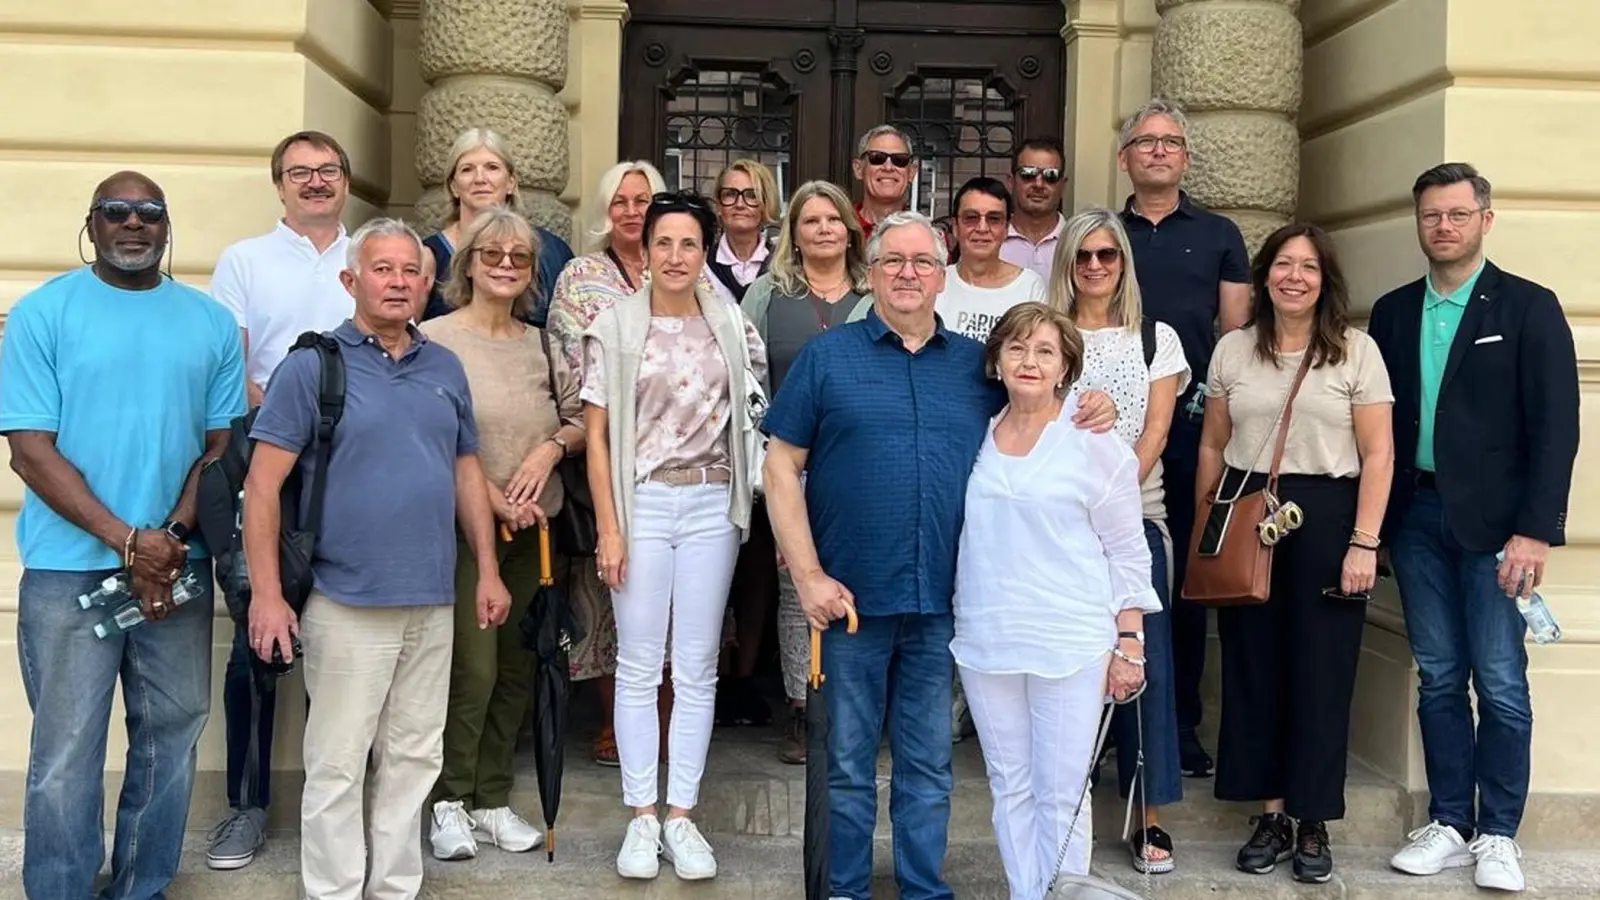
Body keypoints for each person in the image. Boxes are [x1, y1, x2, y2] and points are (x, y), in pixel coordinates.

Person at [761, 210, 1117, 900]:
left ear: (941, 276)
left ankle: (924, 888)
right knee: (846, 764)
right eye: (894, 261)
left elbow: (1036, 397)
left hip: (945, 605)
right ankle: (844, 889)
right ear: (871, 271)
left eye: (923, 263)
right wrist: (806, 575)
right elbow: (781, 467)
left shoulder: (975, 367)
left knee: (928, 765)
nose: (907, 274)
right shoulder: (827, 359)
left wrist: (1089, 401)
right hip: (849, 604)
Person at [244, 218, 513, 900]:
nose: (398, 282)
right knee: (337, 763)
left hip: (431, 599)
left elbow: (465, 472)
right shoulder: (313, 367)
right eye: (383, 269)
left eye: (410, 272)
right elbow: (262, 488)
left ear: (429, 284)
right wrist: (268, 596)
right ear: (351, 280)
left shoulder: (444, 366)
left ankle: (394, 887)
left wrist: (485, 568)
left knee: (415, 757)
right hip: (345, 600)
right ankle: (333, 891)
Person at [0, 171, 245, 900]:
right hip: (70, 571)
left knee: (171, 738)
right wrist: (128, 542)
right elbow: (29, 449)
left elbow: (221, 446)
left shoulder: (209, 323)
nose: (133, 223)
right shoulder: (41, 314)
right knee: (67, 751)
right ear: (93, 223)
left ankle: (142, 887)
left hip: (180, 566)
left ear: (167, 228)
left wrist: (166, 538)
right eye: (117, 212)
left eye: (149, 213)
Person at [1374, 163, 1579, 894]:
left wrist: (1536, 532)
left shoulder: (1527, 307)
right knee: (1436, 676)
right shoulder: (1393, 312)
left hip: (1498, 529)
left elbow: (1557, 430)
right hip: (1417, 518)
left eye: (1458, 214)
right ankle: (1452, 822)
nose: (1444, 227)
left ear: (1485, 219)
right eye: (1432, 215)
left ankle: (1499, 832)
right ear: (1419, 222)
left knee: (1498, 680)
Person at [582, 191, 768, 882]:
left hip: (712, 502)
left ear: (704, 251)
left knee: (695, 667)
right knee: (638, 662)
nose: (676, 256)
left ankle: (681, 814)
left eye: (689, 244)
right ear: (645, 249)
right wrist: (610, 525)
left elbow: (753, 414)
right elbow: (597, 438)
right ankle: (639, 816)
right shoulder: (616, 326)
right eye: (664, 243)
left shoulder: (732, 325)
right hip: (643, 504)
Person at [1200, 223, 1394, 884]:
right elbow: (1212, 444)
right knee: (1253, 669)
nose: (1294, 277)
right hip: (1250, 512)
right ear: (1264, 275)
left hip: (1328, 519)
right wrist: (1209, 528)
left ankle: (1313, 821)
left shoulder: (1356, 353)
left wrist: (1365, 541)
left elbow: (1379, 454)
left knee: (1321, 673)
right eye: (1283, 264)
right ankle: (1272, 813)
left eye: (1308, 267)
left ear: (1325, 280)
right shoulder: (1232, 351)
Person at [953, 302, 1158, 898]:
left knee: (1063, 789)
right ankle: (1027, 892)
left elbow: (1127, 548)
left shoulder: (1093, 442)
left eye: (1045, 351)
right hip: (987, 637)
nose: (1030, 361)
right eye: (1017, 347)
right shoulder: (978, 433)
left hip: (1071, 639)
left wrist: (1130, 642)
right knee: (1009, 783)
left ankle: (1059, 892)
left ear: (1067, 365)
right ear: (996, 359)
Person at [205, 128, 355, 871]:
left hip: (357, 474)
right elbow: (230, 368)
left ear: (347, 182)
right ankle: (247, 807)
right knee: (258, 640)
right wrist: (288, 418)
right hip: (270, 465)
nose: (316, 182)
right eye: (301, 172)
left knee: (354, 640)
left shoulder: (374, 256)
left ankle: (350, 807)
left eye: (328, 171)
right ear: (280, 184)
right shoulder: (244, 260)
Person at [420, 208, 585, 860]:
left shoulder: (541, 342)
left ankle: (491, 798)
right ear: (469, 263)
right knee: (474, 670)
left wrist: (549, 450)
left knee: (520, 670)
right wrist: (491, 499)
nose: (507, 265)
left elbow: (577, 419)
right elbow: (433, 439)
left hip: (535, 535)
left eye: (520, 256)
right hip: (464, 532)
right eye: (494, 254)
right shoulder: (434, 338)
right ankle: (451, 799)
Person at [1050, 207, 1189, 873]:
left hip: (1136, 520)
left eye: (1108, 255)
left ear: (1124, 263)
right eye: (1084, 256)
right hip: (1055, 527)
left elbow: (1156, 431)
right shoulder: (1044, 332)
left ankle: (1147, 816)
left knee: (1142, 670)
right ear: (1068, 264)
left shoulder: (1155, 337)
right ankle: (1064, 805)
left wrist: (1112, 501)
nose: (1097, 267)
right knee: (1069, 668)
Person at [1118, 97, 1251, 779]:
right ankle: (1111, 723)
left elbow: (1234, 333)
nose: (1159, 152)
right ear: (1126, 158)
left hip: (1194, 428)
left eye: (1170, 143)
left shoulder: (1221, 231)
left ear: (1186, 158)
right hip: (1111, 431)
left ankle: (1181, 726)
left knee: (1184, 577)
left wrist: (1208, 408)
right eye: (1146, 142)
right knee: (1109, 570)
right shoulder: (1105, 234)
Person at [741, 179, 872, 763]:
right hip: (788, 465)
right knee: (799, 584)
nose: (822, 229)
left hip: (856, 466)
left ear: (850, 229)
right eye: (809, 220)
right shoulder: (768, 294)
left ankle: (853, 708)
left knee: (857, 582)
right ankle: (802, 707)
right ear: (793, 231)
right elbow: (744, 379)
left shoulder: (875, 294)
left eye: (832, 219)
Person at [419, 127, 574, 327]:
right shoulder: (427, 256)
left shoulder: (551, 251)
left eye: (492, 167)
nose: (480, 179)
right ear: (454, 187)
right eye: (467, 169)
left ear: (511, 182)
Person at [937, 176, 1047, 344]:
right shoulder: (935, 282)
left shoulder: (1029, 287)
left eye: (994, 219)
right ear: (955, 227)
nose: (982, 228)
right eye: (971, 218)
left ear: (1006, 229)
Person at [706, 158, 779, 304]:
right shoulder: (703, 265)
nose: (739, 204)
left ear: (766, 203)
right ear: (719, 205)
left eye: (751, 195)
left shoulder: (781, 265)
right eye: (730, 194)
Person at [1001, 136, 1069, 282]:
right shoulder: (991, 240)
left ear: (1063, 185)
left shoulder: (1077, 242)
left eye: (1051, 175)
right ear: (1011, 182)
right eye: (1028, 173)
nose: (1038, 184)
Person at [851, 125, 916, 240]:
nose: (888, 167)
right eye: (877, 158)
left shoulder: (924, 236)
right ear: (858, 169)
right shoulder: (839, 228)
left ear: (911, 172)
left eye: (899, 160)